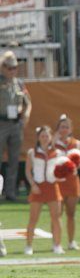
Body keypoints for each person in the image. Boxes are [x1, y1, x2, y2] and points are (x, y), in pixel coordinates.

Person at [24, 125, 65, 255]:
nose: (45, 138)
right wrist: (32, 185)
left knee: (56, 218)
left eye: (47, 136)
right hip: (38, 187)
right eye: (42, 136)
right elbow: (28, 171)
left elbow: (62, 169)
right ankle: (29, 246)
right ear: (38, 137)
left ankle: (57, 245)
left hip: (53, 187)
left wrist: (61, 176)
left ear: (51, 137)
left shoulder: (57, 153)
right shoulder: (32, 152)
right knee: (33, 218)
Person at [0, 50, 31, 201]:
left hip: (15, 123)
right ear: (2, 67)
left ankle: (10, 192)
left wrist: (26, 115)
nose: (12, 71)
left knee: (13, 160)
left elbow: (28, 102)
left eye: (14, 67)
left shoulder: (19, 83)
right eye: (9, 67)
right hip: (1, 123)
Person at [54, 114, 80, 251]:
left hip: (72, 181)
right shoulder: (53, 143)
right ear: (57, 129)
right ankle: (56, 242)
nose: (64, 129)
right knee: (57, 214)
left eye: (66, 127)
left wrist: (76, 164)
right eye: (62, 127)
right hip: (58, 181)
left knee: (71, 213)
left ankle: (71, 241)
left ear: (71, 129)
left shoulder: (77, 143)